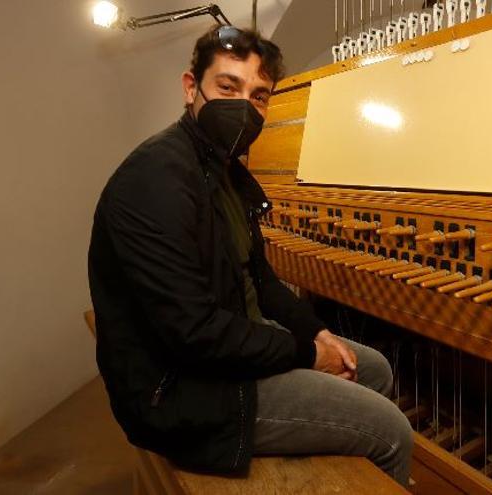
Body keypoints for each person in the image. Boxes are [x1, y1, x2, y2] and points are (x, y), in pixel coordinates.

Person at [87, 25, 413, 485]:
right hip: (181, 388)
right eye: (228, 86)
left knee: (371, 367)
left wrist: (318, 331)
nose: (244, 106)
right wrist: (306, 353)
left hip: (227, 346)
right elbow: (194, 333)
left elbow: (262, 281)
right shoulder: (156, 179)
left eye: (259, 95)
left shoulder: (225, 172)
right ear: (190, 88)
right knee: (392, 431)